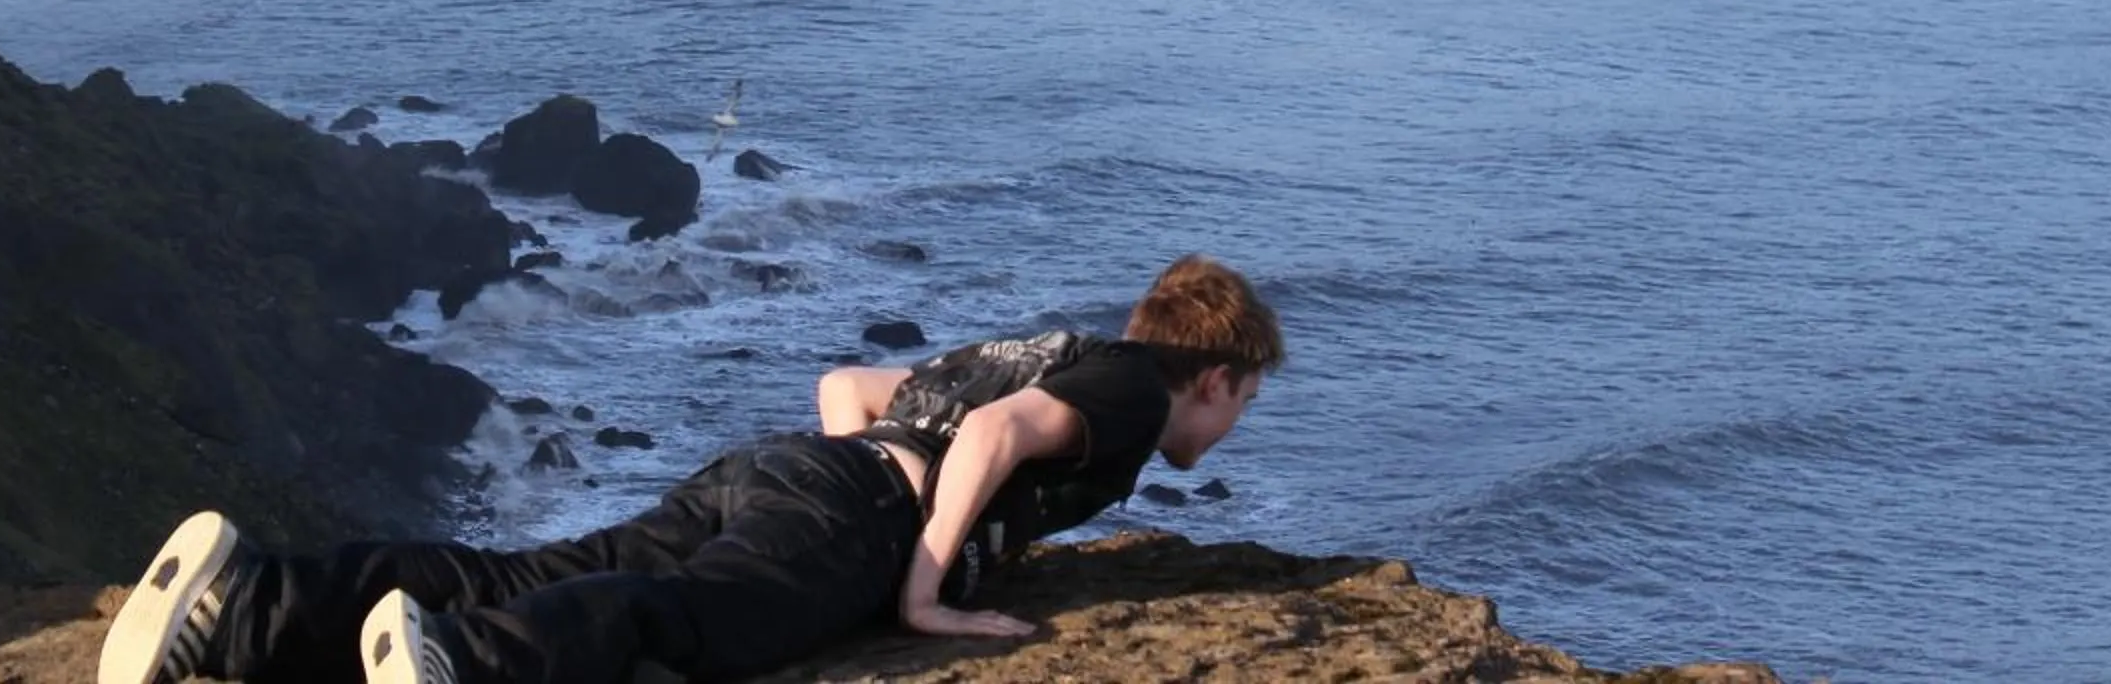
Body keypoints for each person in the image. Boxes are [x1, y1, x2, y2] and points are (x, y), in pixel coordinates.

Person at [98, 254, 1281, 684]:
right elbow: (989, 440)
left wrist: (835, 484)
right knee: (700, 623)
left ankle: (244, 604)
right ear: (1215, 373)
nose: (1230, 424)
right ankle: (464, 666)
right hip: (853, 502)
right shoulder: (1132, 385)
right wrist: (921, 585)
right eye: (1246, 401)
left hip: (785, 471)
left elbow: (853, 389)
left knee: (538, 566)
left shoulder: (1061, 349)